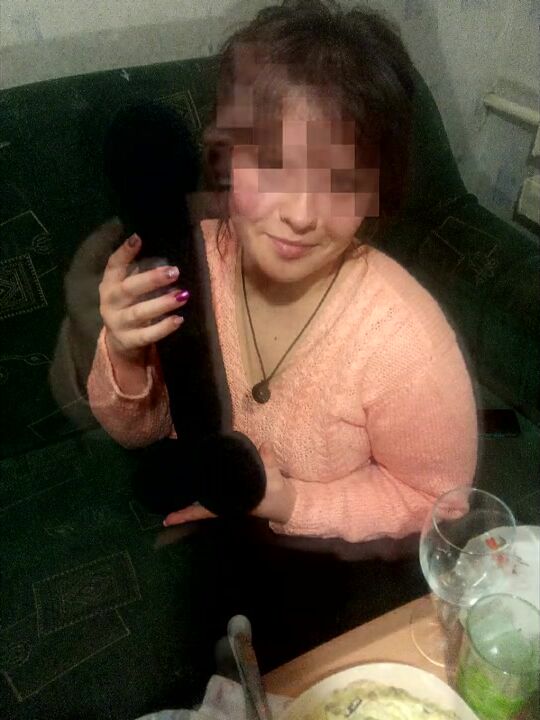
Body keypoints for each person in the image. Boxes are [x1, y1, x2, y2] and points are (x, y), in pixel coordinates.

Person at [87, 0, 477, 545]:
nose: (301, 214)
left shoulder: (405, 342)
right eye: (275, 166)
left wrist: (290, 502)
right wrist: (126, 353)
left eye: (341, 182)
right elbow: (140, 434)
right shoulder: (183, 268)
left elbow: (440, 502)